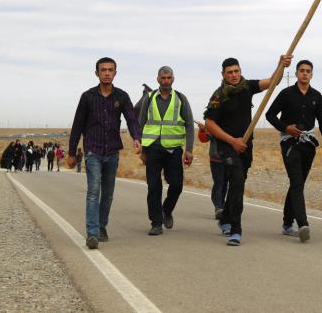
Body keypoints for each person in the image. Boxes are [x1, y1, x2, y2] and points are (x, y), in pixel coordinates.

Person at [204, 53, 292, 247]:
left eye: (236, 71)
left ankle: (225, 218)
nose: (234, 75)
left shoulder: (247, 87)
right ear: (223, 74)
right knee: (236, 182)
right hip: (227, 146)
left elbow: (272, 82)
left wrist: (281, 66)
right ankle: (236, 230)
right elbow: (209, 123)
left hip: (246, 146)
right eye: (230, 73)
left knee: (238, 184)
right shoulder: (219, 96)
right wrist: (231, 141)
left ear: (240, 71)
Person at [66, 56, 142, 249]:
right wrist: (72, 152)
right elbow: (77, 126)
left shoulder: (122, 97)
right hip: (93, 151)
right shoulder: (88, 97)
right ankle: (92, 233)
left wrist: (136, 137)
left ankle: (101, 226)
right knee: (93, 191)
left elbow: (131, 119)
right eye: (103, 70)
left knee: (107, 194)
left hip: (112, 152)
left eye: (110, 70)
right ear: (97, 73)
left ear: (115, 73)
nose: (107, 73)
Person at [265, 59, 322, 243]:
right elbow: (269, 115)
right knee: (296, 181)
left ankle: (287, 224)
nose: (305, 73)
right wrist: (286, 128)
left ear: (312, 75)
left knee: (298, 184)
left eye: (308, 71)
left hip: (308, 146)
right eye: (302, 70)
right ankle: (303, 224)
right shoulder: (286, 94)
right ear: (296, 73)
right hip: (289, 144)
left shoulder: (316, 96)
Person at [136, 66, 195, 236]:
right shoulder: (149, 98)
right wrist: (141, 148)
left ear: (173, 79)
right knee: (154, 187)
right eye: (163, 78)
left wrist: (189, 150)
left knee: (176, 185)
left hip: (173, 150)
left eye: (169, 77)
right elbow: (141, 123)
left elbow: (189, 125)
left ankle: (166, 210)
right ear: (158, 79)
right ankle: (156, 223)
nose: (166, 81)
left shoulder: (181, 99)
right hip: (152, 149)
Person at [196, 120, 227, 220]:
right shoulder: (214, 123)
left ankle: (222, 206)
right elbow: (204, 139)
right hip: (216, 159)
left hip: (229, 159)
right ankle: (218, 207)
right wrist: (202, 131)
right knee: (219, 183)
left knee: (225, 184)